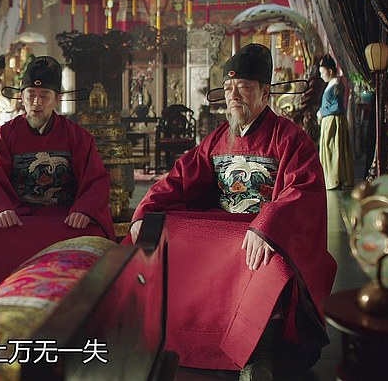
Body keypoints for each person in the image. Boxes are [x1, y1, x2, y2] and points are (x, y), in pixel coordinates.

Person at [123, 44, 336, 380]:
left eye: (243, 87)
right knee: (163, 230)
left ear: (265, 92)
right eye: (228, 88)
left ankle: (258, 353)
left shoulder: (290, 139)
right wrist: (145, 210)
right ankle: (170, 338)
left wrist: (268, 226)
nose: (233, 96)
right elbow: (180, 177)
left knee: (270, 260)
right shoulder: (220, 138)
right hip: (224, 227)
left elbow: (302, 190)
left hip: (262, 233)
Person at [0, 56, 114, 304]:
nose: (37, 102)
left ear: (57, 99)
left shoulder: (77, 137)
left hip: (65, 217)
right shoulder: (3, 136)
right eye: (31, 95)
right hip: (19, 217)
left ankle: (80, 306)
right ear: (22, 97)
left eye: (44, 96)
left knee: (93, 237)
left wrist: (85, 209)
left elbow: (96, 180)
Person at [318, 55, 355, 189]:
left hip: (334, 122)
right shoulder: (331, 85)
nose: (321, 76)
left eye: (323, 72)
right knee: (329, 150)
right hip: (329, 121)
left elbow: (337, 107)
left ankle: (335, 179)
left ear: (330, 71)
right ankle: (330, 179)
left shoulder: (337, 86)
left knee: (334, 150)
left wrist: (322, 112)